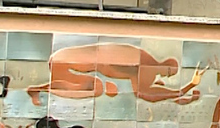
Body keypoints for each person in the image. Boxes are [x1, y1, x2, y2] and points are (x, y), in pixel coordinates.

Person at [26, 43, 203, 105]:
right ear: (165, 65)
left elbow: (152, 94)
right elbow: (145, 94)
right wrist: (185, 89)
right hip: (71, 60)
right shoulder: (147, 66)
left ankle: (38, 89)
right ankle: (39, 89)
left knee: (93, 86)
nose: (165, 76)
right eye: (168, 72)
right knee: (96, 88)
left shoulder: (144, 61)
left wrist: (182, 95)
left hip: (66, 59)